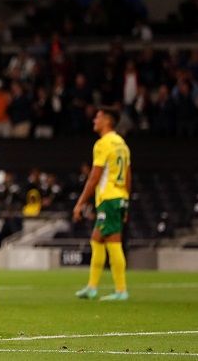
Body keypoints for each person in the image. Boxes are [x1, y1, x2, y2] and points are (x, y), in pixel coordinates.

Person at [73, 107, 131, 301]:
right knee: (97, 239)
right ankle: (92, 287)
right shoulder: (122, 144)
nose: (94, 121)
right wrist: (126, 201)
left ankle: (121, 290)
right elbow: (128, 176)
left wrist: (80, 203)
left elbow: (94, 177)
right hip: (119, 197)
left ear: (107, 121)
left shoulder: (103, 144)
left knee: (114, 243)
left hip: (109, 198)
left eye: (97, 117)